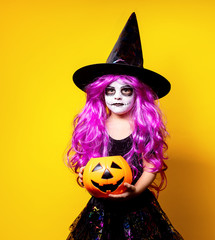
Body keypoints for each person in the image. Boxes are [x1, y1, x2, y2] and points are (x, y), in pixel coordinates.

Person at [66, 13, 183, 240]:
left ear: (138, 94)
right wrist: (83, 176)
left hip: (137, 209)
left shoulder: (143, 128)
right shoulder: (96, 127)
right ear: (101, 94)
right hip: (102, 211)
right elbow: (91, 166)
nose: (117, 96)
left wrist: (135, 191)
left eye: (125, 90)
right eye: (111, 91)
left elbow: (151, 166)